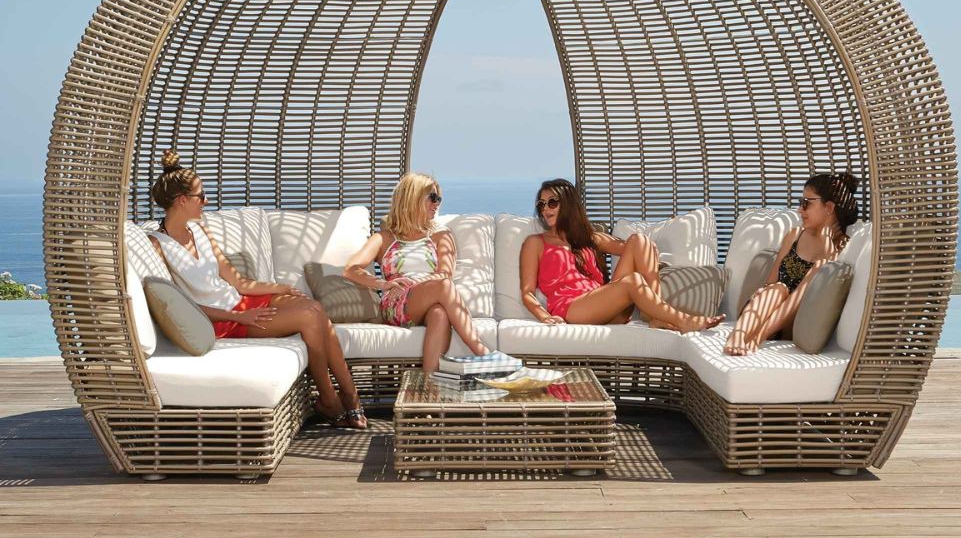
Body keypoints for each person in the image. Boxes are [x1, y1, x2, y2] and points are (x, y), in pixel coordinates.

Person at [146, 151, 366, 429]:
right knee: (310, 316)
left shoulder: (200, 232)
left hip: (241, 303)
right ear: (182, 201)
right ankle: (333, 399)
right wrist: (240, 318)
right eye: (201, 196)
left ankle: (346, 395)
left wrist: (280, 287)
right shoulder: (157, 245)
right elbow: (180, 306)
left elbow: (238, 282)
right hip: (224, 322)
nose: (206, 201)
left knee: (314, 307)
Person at [519, 178, 724, 332]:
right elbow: (527, 292)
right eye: (541, 204)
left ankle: (655, 314)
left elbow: (639, 247)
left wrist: (648, 253)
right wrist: (545, 317)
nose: (545, 209)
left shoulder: (589, 238)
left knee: (640, 240)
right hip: (572, 308)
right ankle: (681, 319)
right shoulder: (536, 242)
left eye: (552, 202)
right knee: (633, 280)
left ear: (568, 205)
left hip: (606, 305)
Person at [344, 172, 491, 371]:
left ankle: (428, 385)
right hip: (396, 303)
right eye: (432, 197)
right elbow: (351, 270)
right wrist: (382, 283)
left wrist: (414, 283)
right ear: (412, 198)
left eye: (439, 198)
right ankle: (483, 353)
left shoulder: (440, 235)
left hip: (428, 297)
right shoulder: (384, 238)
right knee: (443, 287)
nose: (437, 203)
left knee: (439, 313)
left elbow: (445, 274)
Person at [723, 172, 859, 356]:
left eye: (806, 203)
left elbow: (799, 298)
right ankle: (737, 336)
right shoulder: (794, 235)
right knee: (777, 288)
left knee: (796, 280)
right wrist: (764, 292)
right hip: (759, 313)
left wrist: (758, 337)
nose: (800, 210)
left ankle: (752, 337)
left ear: (829, 207)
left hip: (790, 324)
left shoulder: (838, 249)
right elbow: (771, 281)